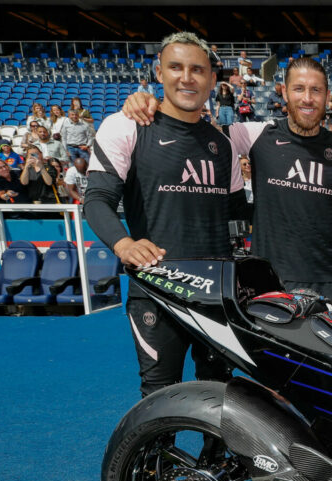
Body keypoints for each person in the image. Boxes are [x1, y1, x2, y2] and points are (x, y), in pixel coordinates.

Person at [85, 32, 244, 397]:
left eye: (197, 70)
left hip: (216, 293)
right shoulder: (126, 126)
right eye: (176, 67)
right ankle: (154, 458)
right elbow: (96, 200)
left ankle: (216, 458)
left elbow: (238, 213)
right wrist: (123, 243)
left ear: (211, 79)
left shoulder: (221, 144)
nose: (187, 77)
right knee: (159, 397)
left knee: (222, 396)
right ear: (159, 73)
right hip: (156, 289)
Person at [123, 56, 332, 302]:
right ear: (285, 93)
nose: (307, 98)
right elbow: (196, 131)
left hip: (328, 287)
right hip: (267, 284)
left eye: (316, 90)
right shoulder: (256, 134)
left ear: (327, 94)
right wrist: (154, 103)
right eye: (299, 88)